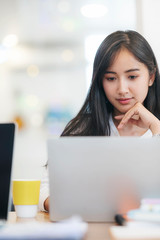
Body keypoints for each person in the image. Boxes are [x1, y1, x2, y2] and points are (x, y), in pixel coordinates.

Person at [39, 30, 160, 212]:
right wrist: (66, 204)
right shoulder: (83, 128)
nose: (122, 89)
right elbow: (45, 190)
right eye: (111, 78)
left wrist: (156, 127)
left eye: (132, 77)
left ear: (151, 77)